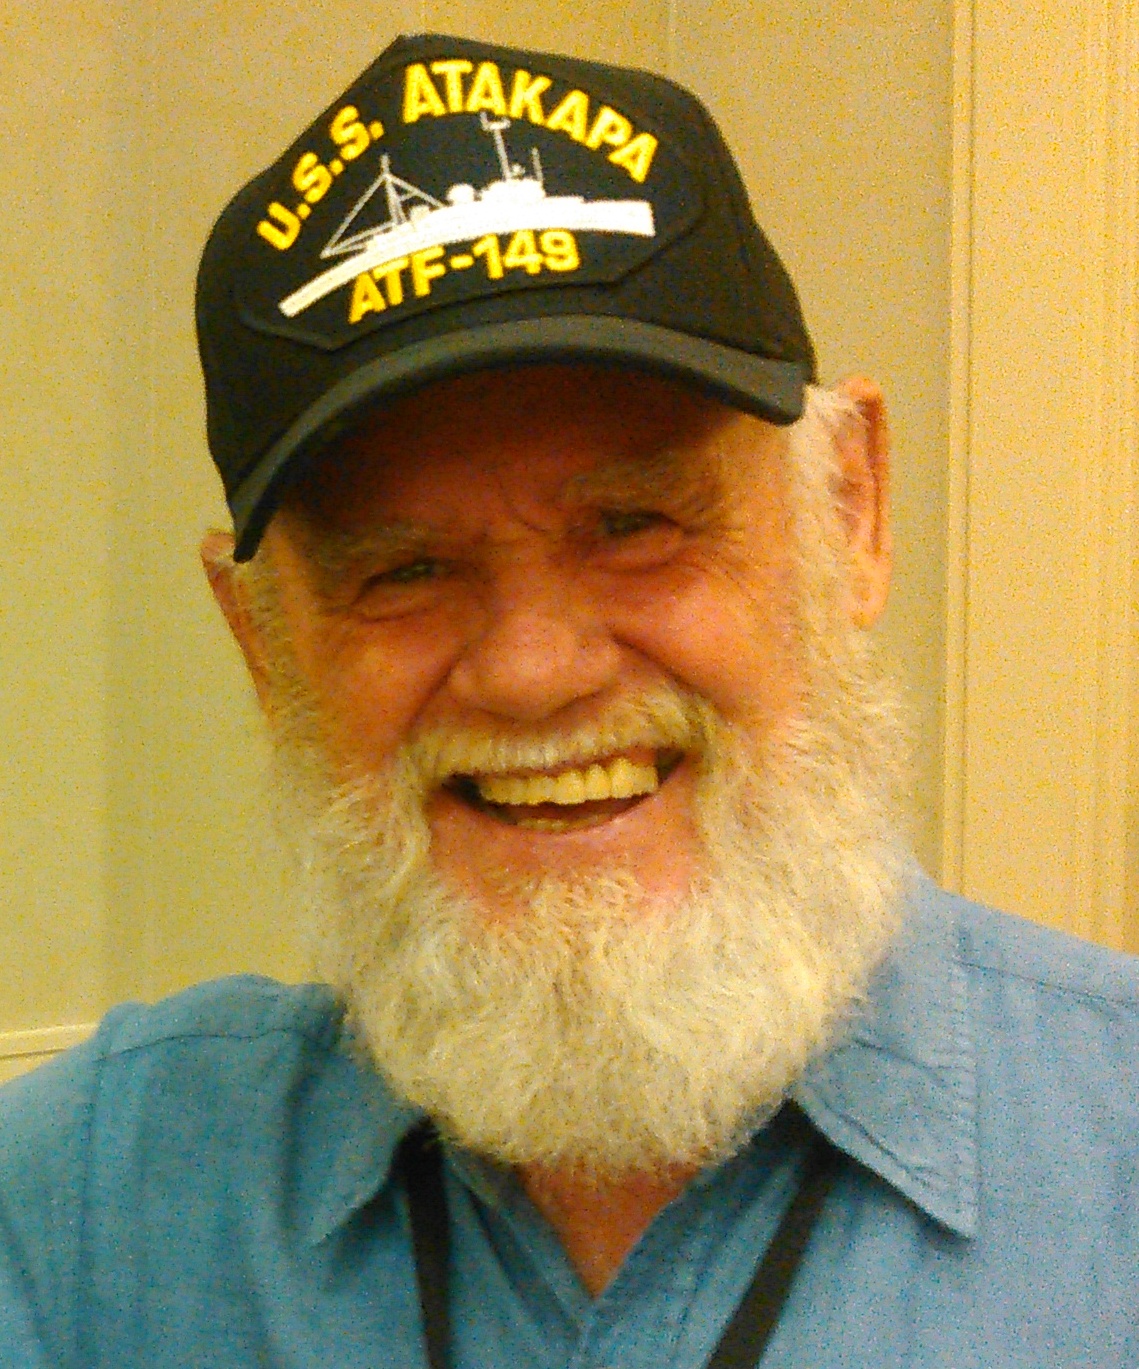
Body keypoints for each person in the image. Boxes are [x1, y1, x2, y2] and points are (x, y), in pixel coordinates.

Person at [1, 32, 1136, 1369]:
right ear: (264, 644)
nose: (535, 673)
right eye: (403, 570)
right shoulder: (82, 1218)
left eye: (637, 522)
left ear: (850, 510)